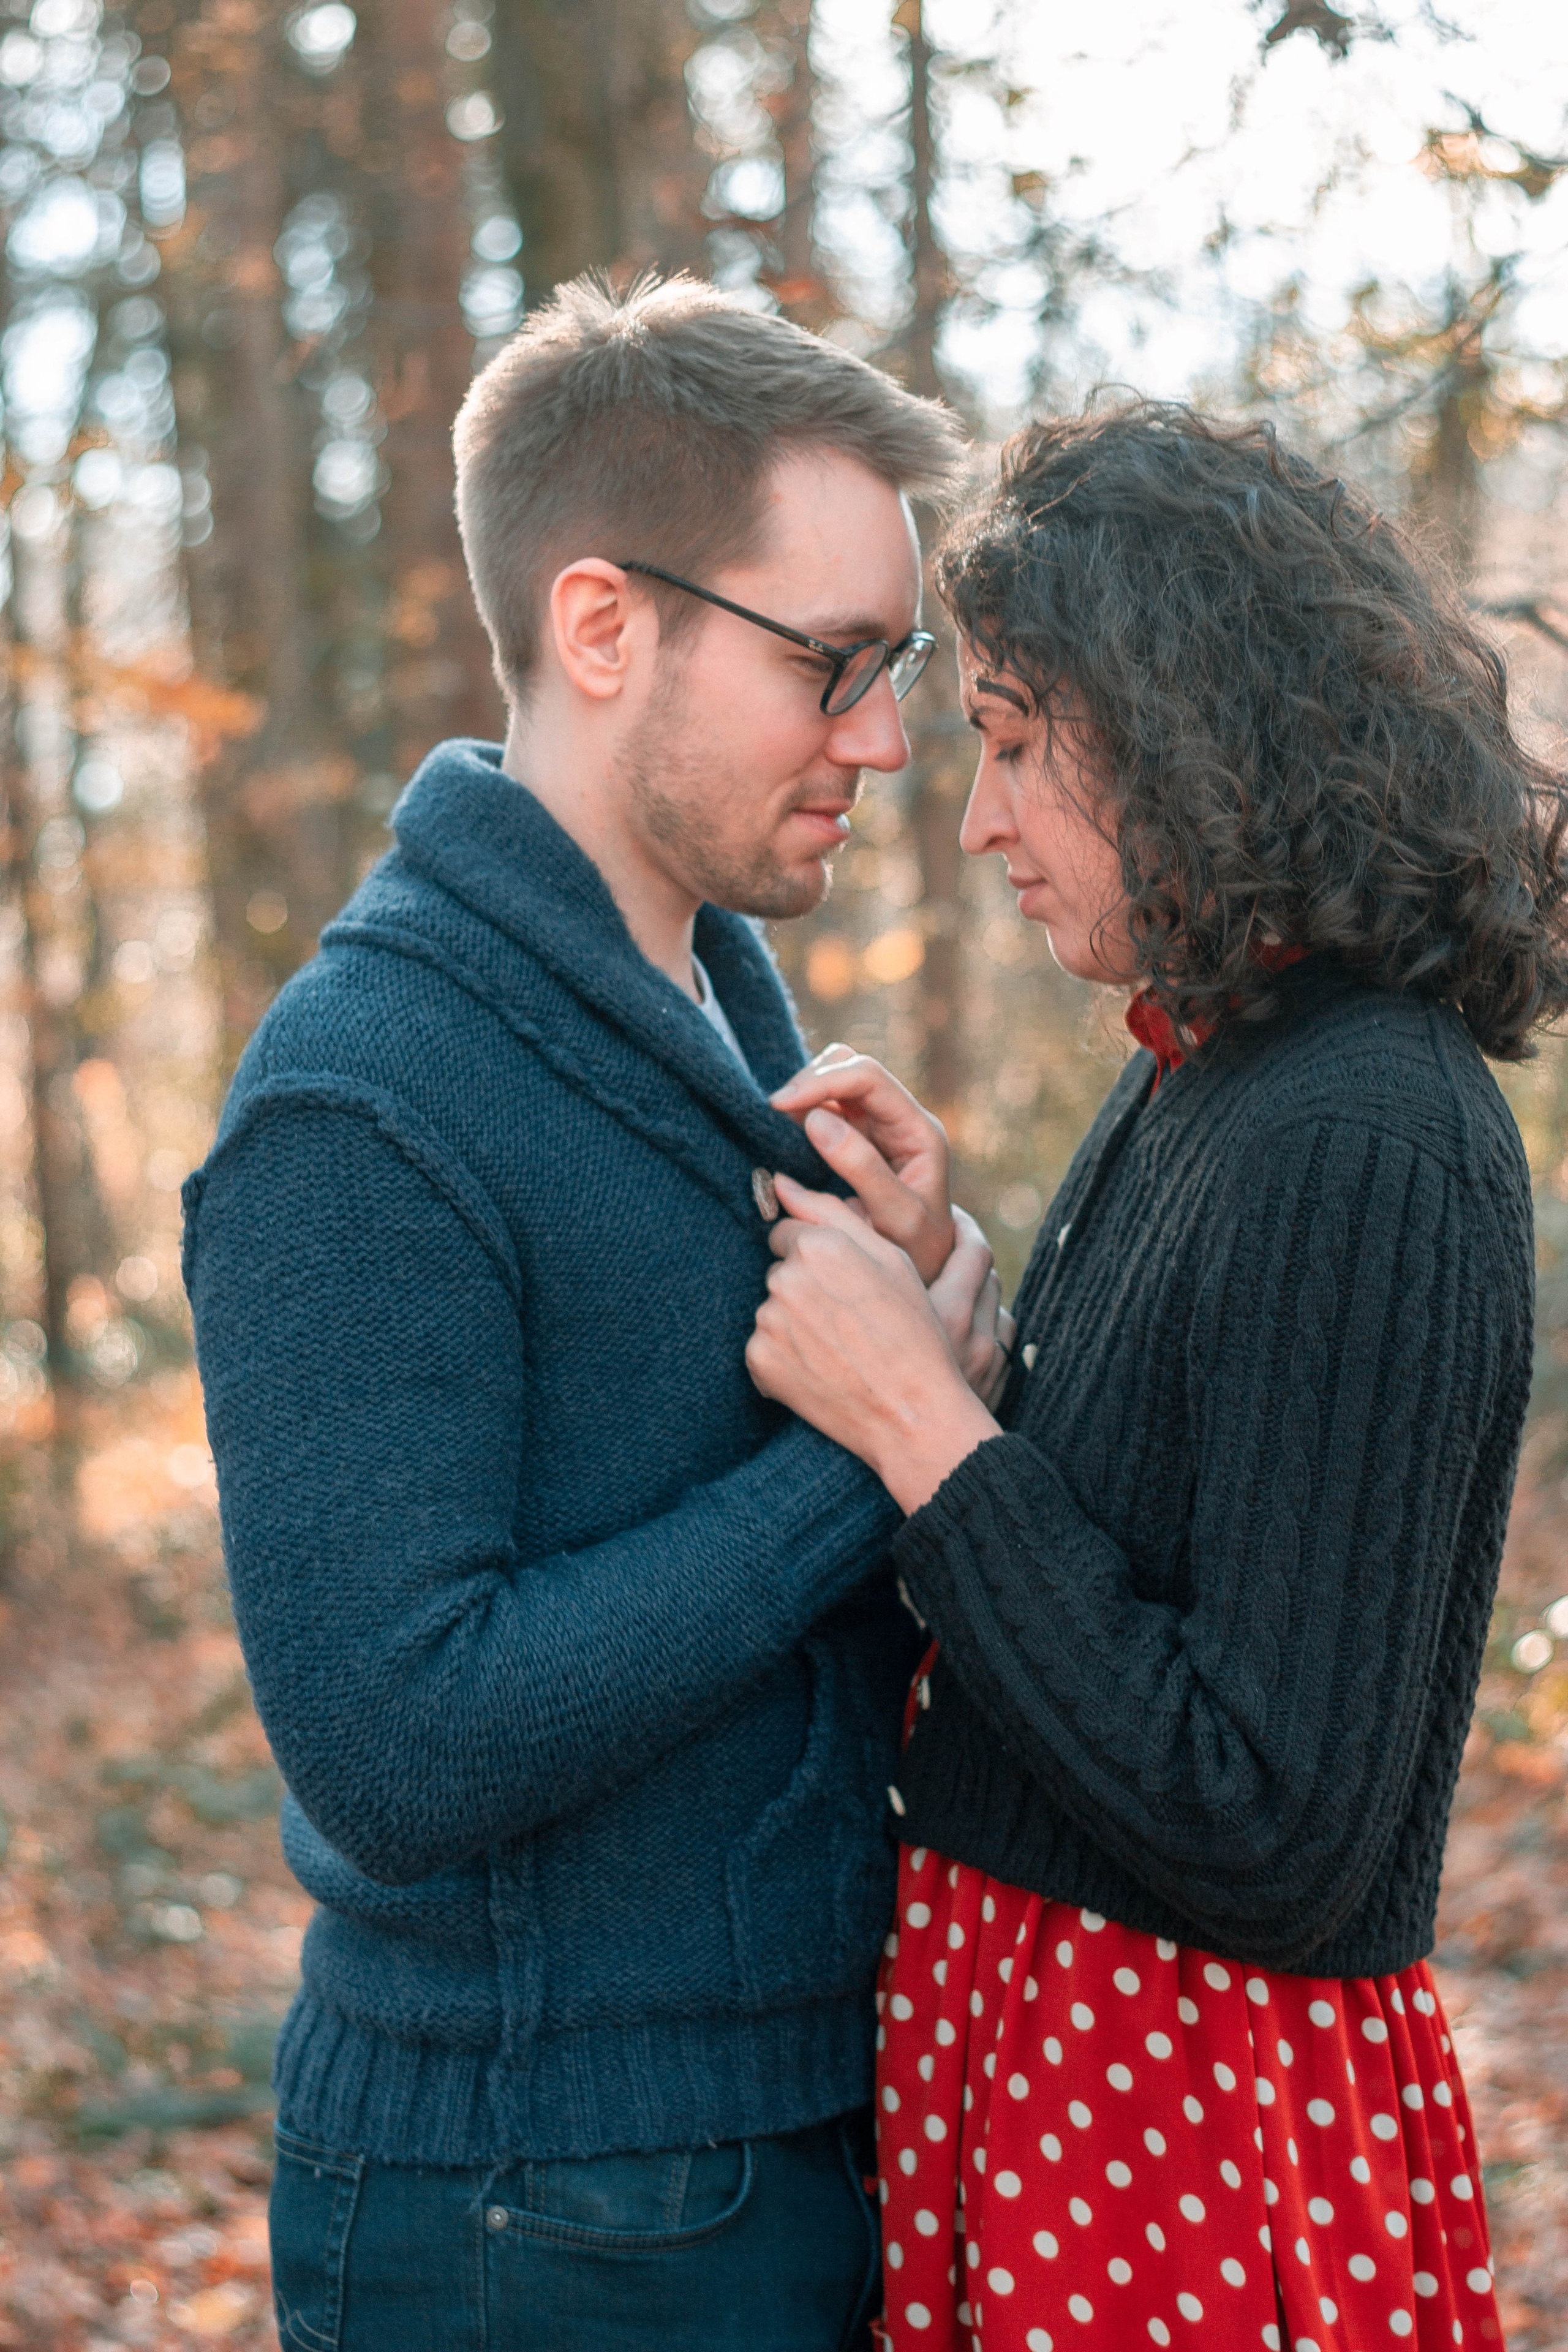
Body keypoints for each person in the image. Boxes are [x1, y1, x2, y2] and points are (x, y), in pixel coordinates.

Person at [181, 273, 970, 2350]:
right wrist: (874, 1449)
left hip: (764, 2136)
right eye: (836, 665)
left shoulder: (707, 1017)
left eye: (901, 671)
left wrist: (912, 1321)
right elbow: (394, 1744)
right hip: (536, 2207)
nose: (885, 738)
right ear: (606, 626)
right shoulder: (365, 1097)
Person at [747, 402, 1566, 2351]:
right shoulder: (1206, 1060)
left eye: (1018, 743)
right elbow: (1158, 1555)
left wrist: (924, 1431)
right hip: (1068, 2088)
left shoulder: (1367, 1125)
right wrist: (958, 1302)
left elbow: (1272, 1824)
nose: (978, 819)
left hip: (1186, 2144)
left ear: (1194, 724)